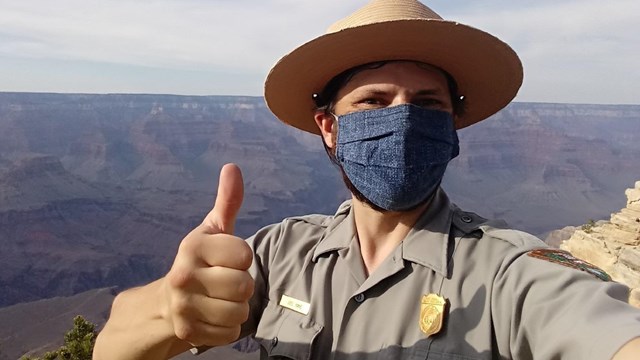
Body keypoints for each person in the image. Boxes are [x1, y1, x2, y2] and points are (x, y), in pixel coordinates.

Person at [93, 0, 640, 359]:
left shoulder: (507, 271)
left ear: (451, 131)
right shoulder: (281, 253)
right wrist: (171, 306)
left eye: (427, 105)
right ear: (329, 128)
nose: (402, 120)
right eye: (374, 102)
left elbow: (600, 329)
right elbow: (112, 345)